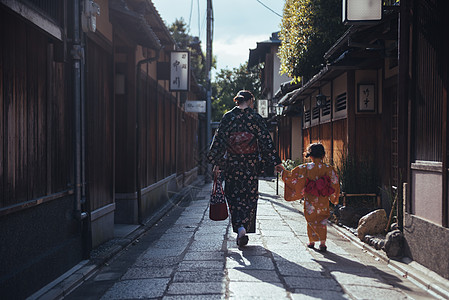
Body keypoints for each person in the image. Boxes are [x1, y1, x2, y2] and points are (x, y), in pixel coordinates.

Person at [208, 90, 283, 247]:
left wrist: (216, 161)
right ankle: (245, 227)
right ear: (250, 101)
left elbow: (220, 139)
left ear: (237, 101)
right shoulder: (255, 118)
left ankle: (240, 228)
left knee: (233, 196)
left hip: (232, 165)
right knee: (249, 197)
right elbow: (265, 140)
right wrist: (275, 161)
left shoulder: (228, 117)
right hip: (250, 165)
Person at [282, 143, 340, 252]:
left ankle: (312, 242)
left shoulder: (305, 168)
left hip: (311, 198)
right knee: (322, 219)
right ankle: (323, 243)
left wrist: (282, 172)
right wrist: (334, 197)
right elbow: (335, 183)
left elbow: (292, 176)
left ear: (310, 155)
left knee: (311, 218)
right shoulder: (328, 168)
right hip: (323, 198)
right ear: (323, 155)